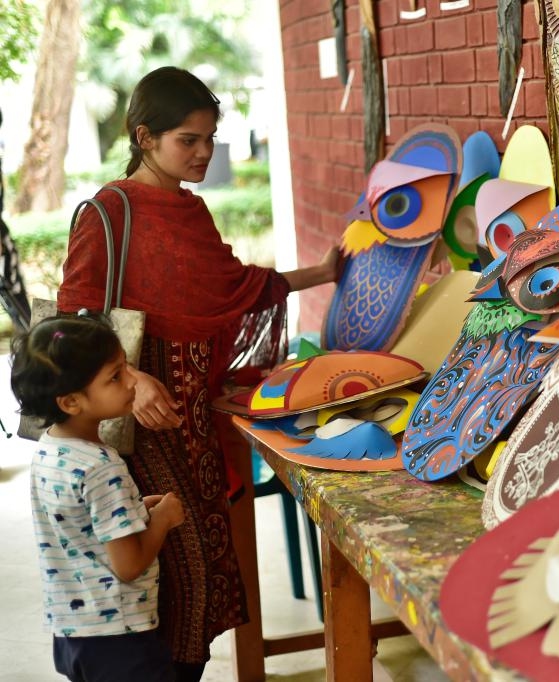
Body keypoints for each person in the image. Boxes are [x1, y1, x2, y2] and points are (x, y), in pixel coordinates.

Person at [57, 66, 340, 680]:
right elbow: (72, 325)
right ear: (143, 136)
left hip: (194, 425)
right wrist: (131, 383)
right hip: (137, 426)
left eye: (210, 138)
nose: (205, 153)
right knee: (154, 571)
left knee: (200, 578)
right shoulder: (108, 212)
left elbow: (235, 287)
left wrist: (322, 274)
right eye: (188, 140)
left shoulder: (192, 212)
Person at [10, 314, 186, 682]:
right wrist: (163, 520)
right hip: (120, 636)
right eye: (115, 377)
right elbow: (129, 565)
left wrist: (136, 511)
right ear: (72, 402)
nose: (130, 383)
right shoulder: (101, 466)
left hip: (72, 633)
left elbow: (79, 527)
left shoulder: (49, 451)